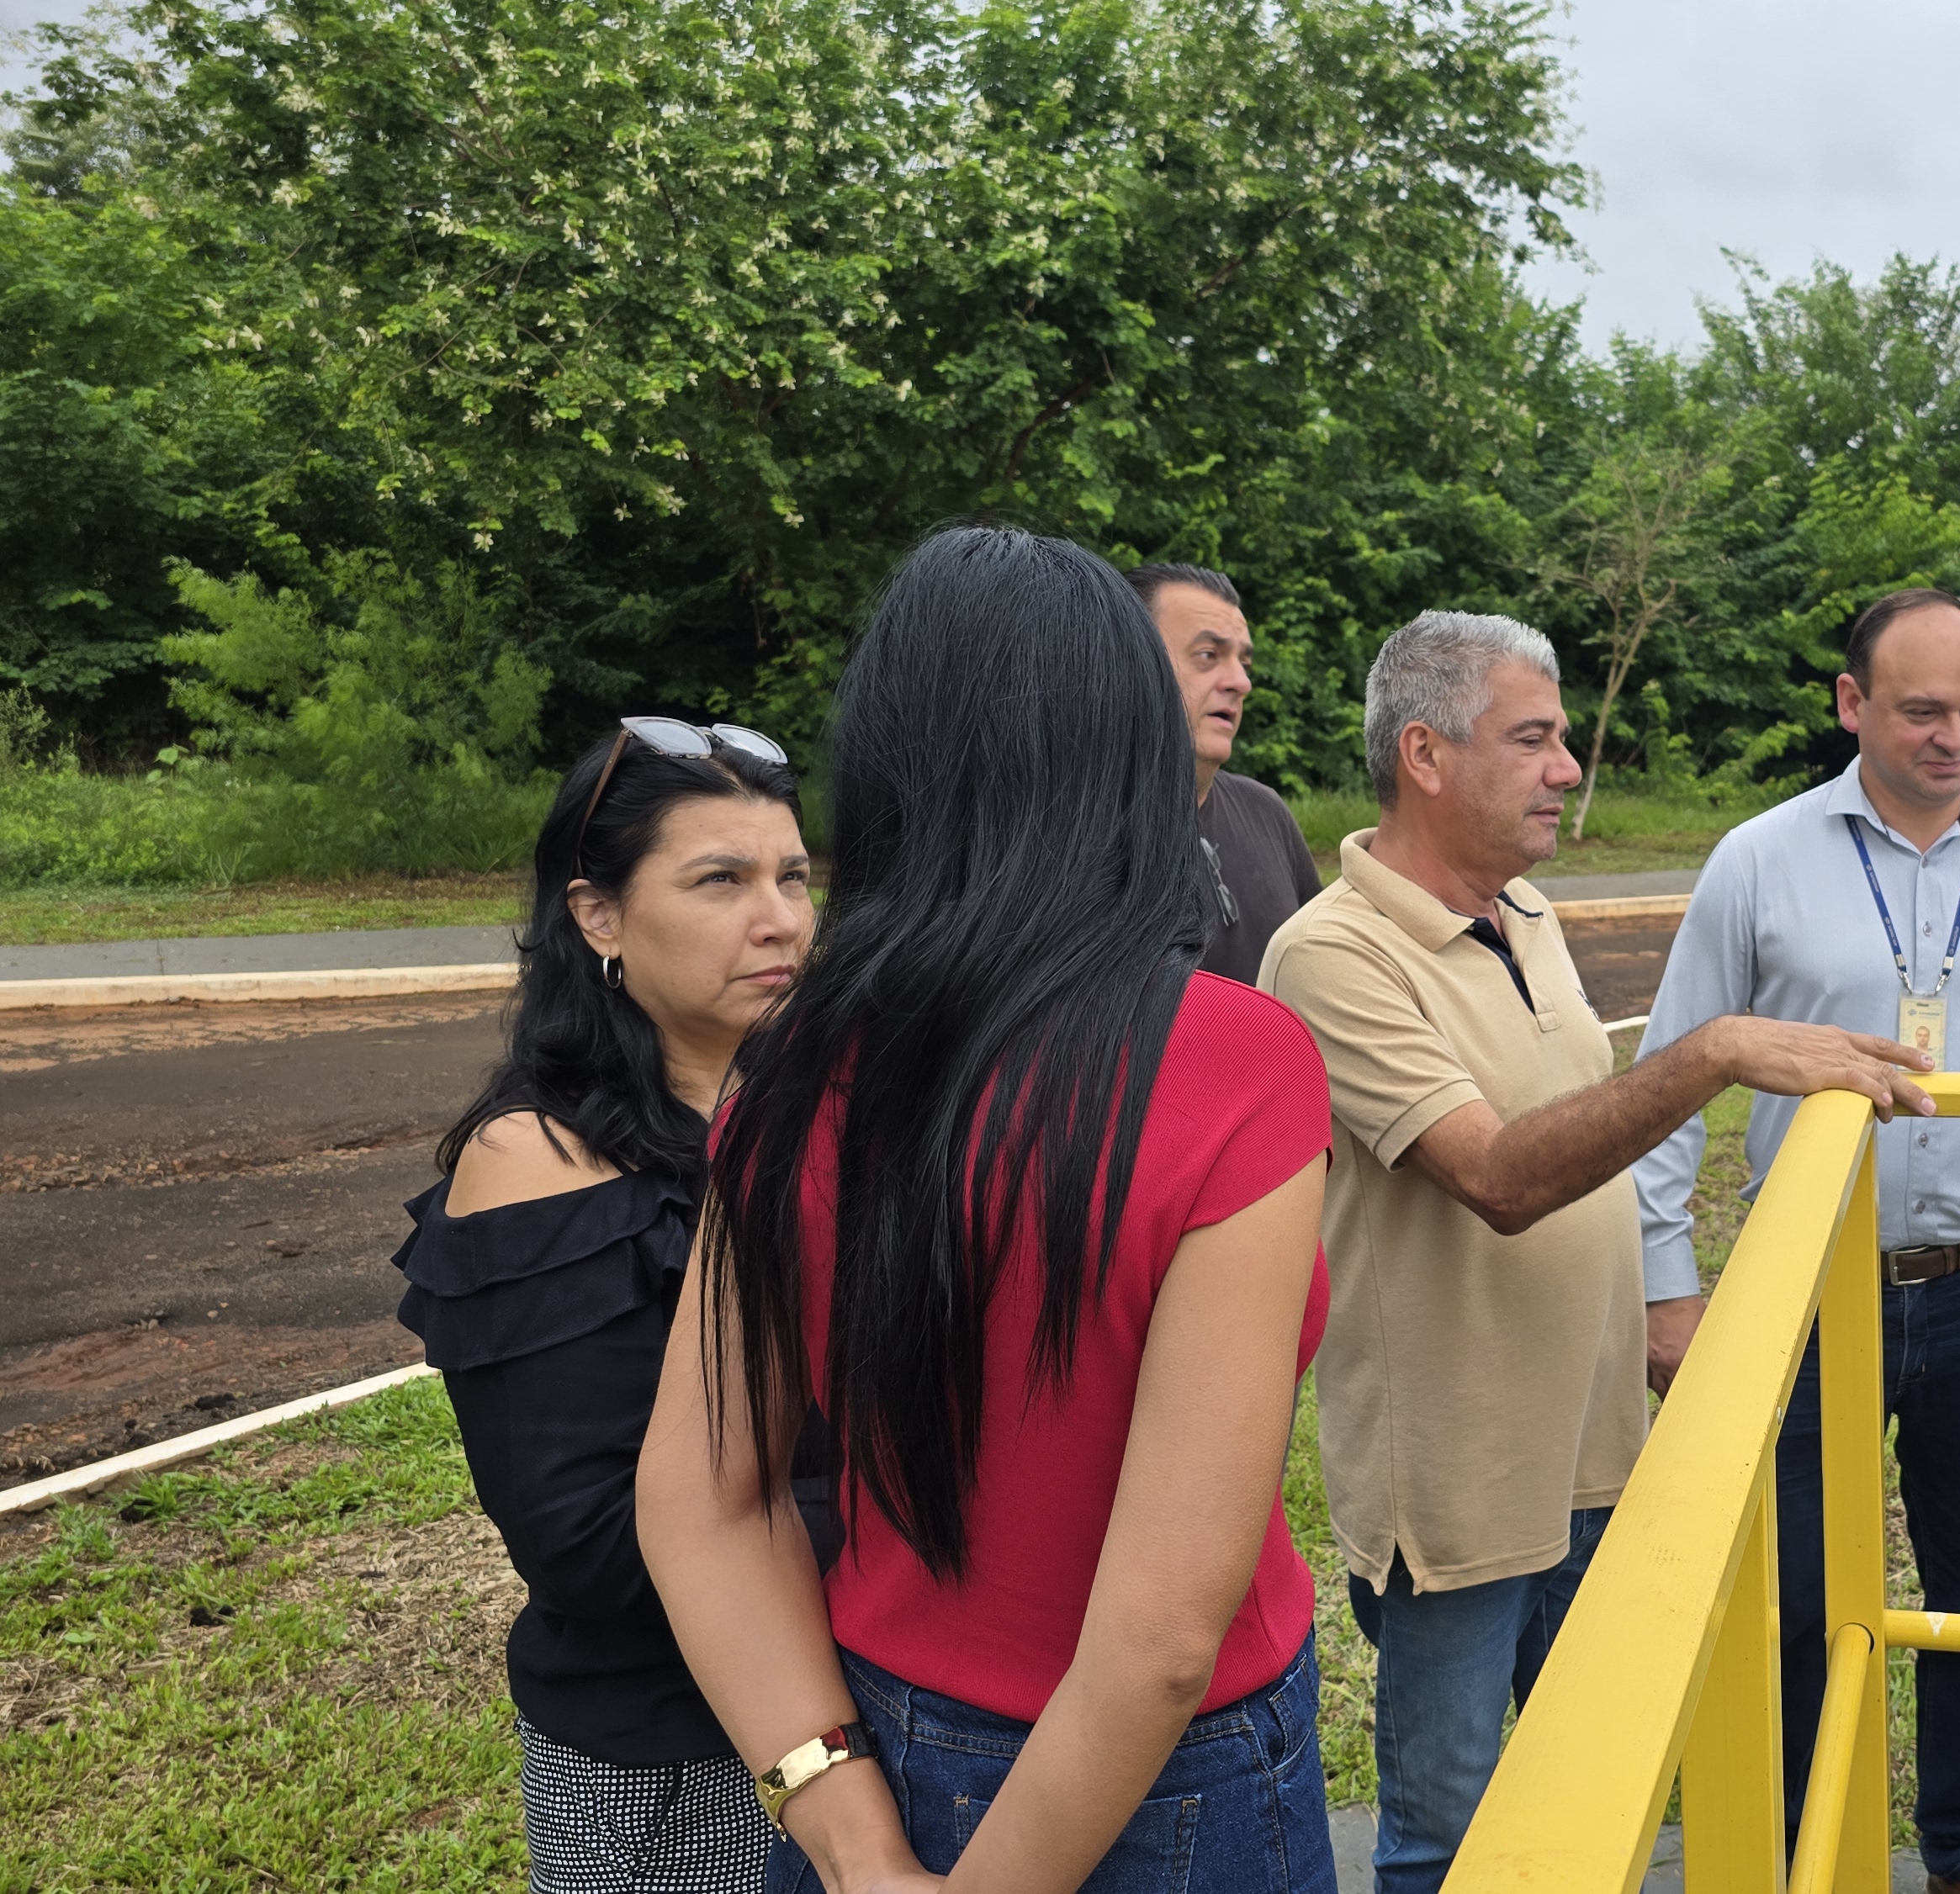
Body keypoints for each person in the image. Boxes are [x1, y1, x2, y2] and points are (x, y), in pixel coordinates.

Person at [637, 526, 1338, 1894]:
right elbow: (1157, 1639)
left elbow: (699, 1498)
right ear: (1131, 757)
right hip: (1169, 1785)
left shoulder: (791, 1064)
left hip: (878, 1745)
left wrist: (848, 1832)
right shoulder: (1236, 1062)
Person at [1258, 609, 1936, 1894]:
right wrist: (1717, 1051)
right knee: (1449, 1845)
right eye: (1534, 738)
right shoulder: (1329, 955)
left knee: (1594, 1811)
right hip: (1459, 1499)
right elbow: (1502, 1179)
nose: (1569, 767)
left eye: (1563, 736)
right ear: (1426, 755)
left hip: (1596, 1464)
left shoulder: (1523, 911)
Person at [1633, 586, 1960, 1894]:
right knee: (1805, 1605)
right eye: (1923, 709)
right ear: (1850, 704)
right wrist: (1664, 1286)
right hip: (1802, 1294)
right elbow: (1667, 1087)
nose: (1955, 737)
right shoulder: (1757, 861)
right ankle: (1814, 1843)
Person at [393, 714, 813, 1893]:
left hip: (855, 1696)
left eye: (792, 875)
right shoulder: (538, 1161)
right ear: (598, 916)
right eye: (720, 880)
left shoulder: (811, 1111)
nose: (779, 918)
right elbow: (589, 1548)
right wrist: (929, 1519)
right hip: (675, 1758)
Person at [1126, 561, 1322, 985]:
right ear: (1131, 663)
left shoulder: (1266, 812)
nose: (1240, 682)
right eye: (1207, 655)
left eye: (1243, 661)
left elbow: (1323, 971)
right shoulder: (1076, 833)